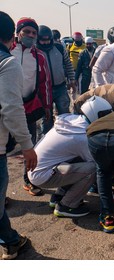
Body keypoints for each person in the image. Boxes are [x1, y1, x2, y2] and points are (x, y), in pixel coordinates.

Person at [28, 96, 112, 217]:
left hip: (40, 168)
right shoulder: (81, 137)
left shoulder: (73, 121)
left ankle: (58, 196)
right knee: (93, 169)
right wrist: (109, 195)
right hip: (42, 175)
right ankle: (67, 205)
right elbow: (98, 165)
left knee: (78, 160)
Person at [0, 11, 37, 260]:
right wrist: (27, 145)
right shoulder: (7, 62)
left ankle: (11, 242)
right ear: (13, 36)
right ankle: (11, 243)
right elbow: (12, 109)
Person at [11, 17, 52, 196]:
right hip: (5, 107)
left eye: (33, 33)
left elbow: (44, 84)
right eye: (26, 31)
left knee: (30, 147)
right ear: (18, 32)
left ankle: (29, 180)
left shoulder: (39, 56)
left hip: (27, 107)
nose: (30, 35)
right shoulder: (6, 51)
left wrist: (47, 107)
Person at [36, 25, 75, 134]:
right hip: (44, 91)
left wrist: (72, 79)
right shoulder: (35, 51)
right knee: (46, 118)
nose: (46, 43)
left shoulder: (59, 48)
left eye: (48, 40)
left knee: (65, 115)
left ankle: (65, 136)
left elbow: (68, 64)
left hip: (61, 87)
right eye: (43, 41)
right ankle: (46, 139)